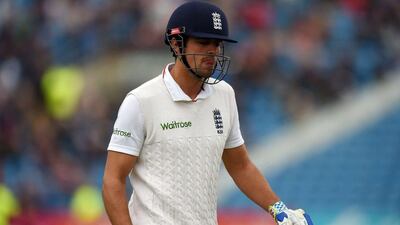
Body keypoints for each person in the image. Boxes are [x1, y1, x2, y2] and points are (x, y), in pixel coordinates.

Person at [102, 1, 313, 225]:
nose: (212, 51)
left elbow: (240, 166)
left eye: (217, 43)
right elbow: (113, 180)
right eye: (203, 42)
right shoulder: (141, 101)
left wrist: (278, 209)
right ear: (176, 44)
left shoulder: (224, 94)